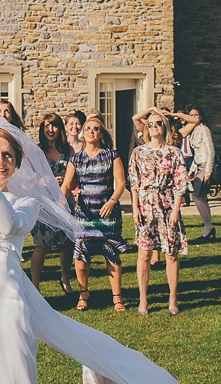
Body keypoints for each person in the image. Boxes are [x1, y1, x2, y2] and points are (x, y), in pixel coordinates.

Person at [0, 116, 179, 384]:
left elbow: (9, 225)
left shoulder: (26, 202)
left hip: (5, 305)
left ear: (17, 163)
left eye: (7, 155)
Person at [61, 115, 133, 312]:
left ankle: (117, 297)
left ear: (101, 134)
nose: (91, 132)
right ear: (83, 133)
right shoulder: (76, 158)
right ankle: (84, 294)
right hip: (84, 215)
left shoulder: (112, 155)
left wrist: (112, 201)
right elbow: (67, 184)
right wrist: (60, 200)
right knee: (81, 257)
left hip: (107, 213)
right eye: (88, 129)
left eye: (95, 129)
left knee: (111, 254)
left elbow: (120, 184)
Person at [128, 109, 188, 315]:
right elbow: (134, 182)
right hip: (145, 205)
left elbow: (181, 182)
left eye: (158, 123)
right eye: (150, 124)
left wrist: (176, 210)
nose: (154, 127)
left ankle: (173, 298)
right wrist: (135, 207)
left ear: (165, 127)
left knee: (170, 254)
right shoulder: (139, 152)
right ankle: (143, 300)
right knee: (144, 254)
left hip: (167, 203)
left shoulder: (174, 152)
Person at [30, 112, 74, 293]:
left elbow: (75, 172)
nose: (50, 129)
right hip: (44, 202)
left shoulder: (68, 150)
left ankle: (65, 278)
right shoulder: (37, 150)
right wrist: (43, 181)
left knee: (68, 242)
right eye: (47, 126)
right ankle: (35, 285)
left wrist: (64, 178)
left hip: (64, 200)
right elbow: (29, 175)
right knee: (41, 244)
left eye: (54, 125)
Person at [160, 105, 216, 241]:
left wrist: (208, 170)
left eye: (195, 115)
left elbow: (210, 150)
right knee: (201, 197)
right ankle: (209, 228)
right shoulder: (194, 131)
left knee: (196, 196)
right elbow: (197, 153)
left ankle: (208, 227)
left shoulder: (203, 129)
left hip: (204, 166)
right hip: (197, 166)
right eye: (191, 114)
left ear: (201, 116)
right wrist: (191, 170)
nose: (193, 117)